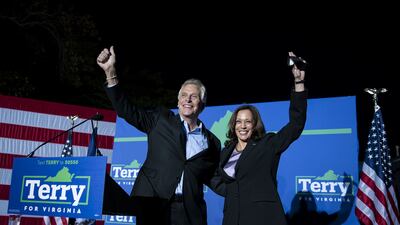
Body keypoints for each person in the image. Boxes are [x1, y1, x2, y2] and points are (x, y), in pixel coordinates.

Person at [96, 46, 221, 225]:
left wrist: (244, 186)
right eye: (184, 95)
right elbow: (126, 110)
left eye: (193, 97)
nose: (187, 99)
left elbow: (212, 177)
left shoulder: (212, 142)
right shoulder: (160, 119)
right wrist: (110, 71)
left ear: (201, 104)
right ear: (178, 102)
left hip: (188, 212)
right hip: (153, 205)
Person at [210, 51, 307, 225]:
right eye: (239, 121)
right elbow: (217, 178)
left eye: (248, 121)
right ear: (233, 125)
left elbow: (296, 125)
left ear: (255, 125)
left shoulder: (267, 144)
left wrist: (298, 83)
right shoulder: (226, 151)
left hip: (263, 217)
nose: (243, 125)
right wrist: (232, 192)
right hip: (233, 217)